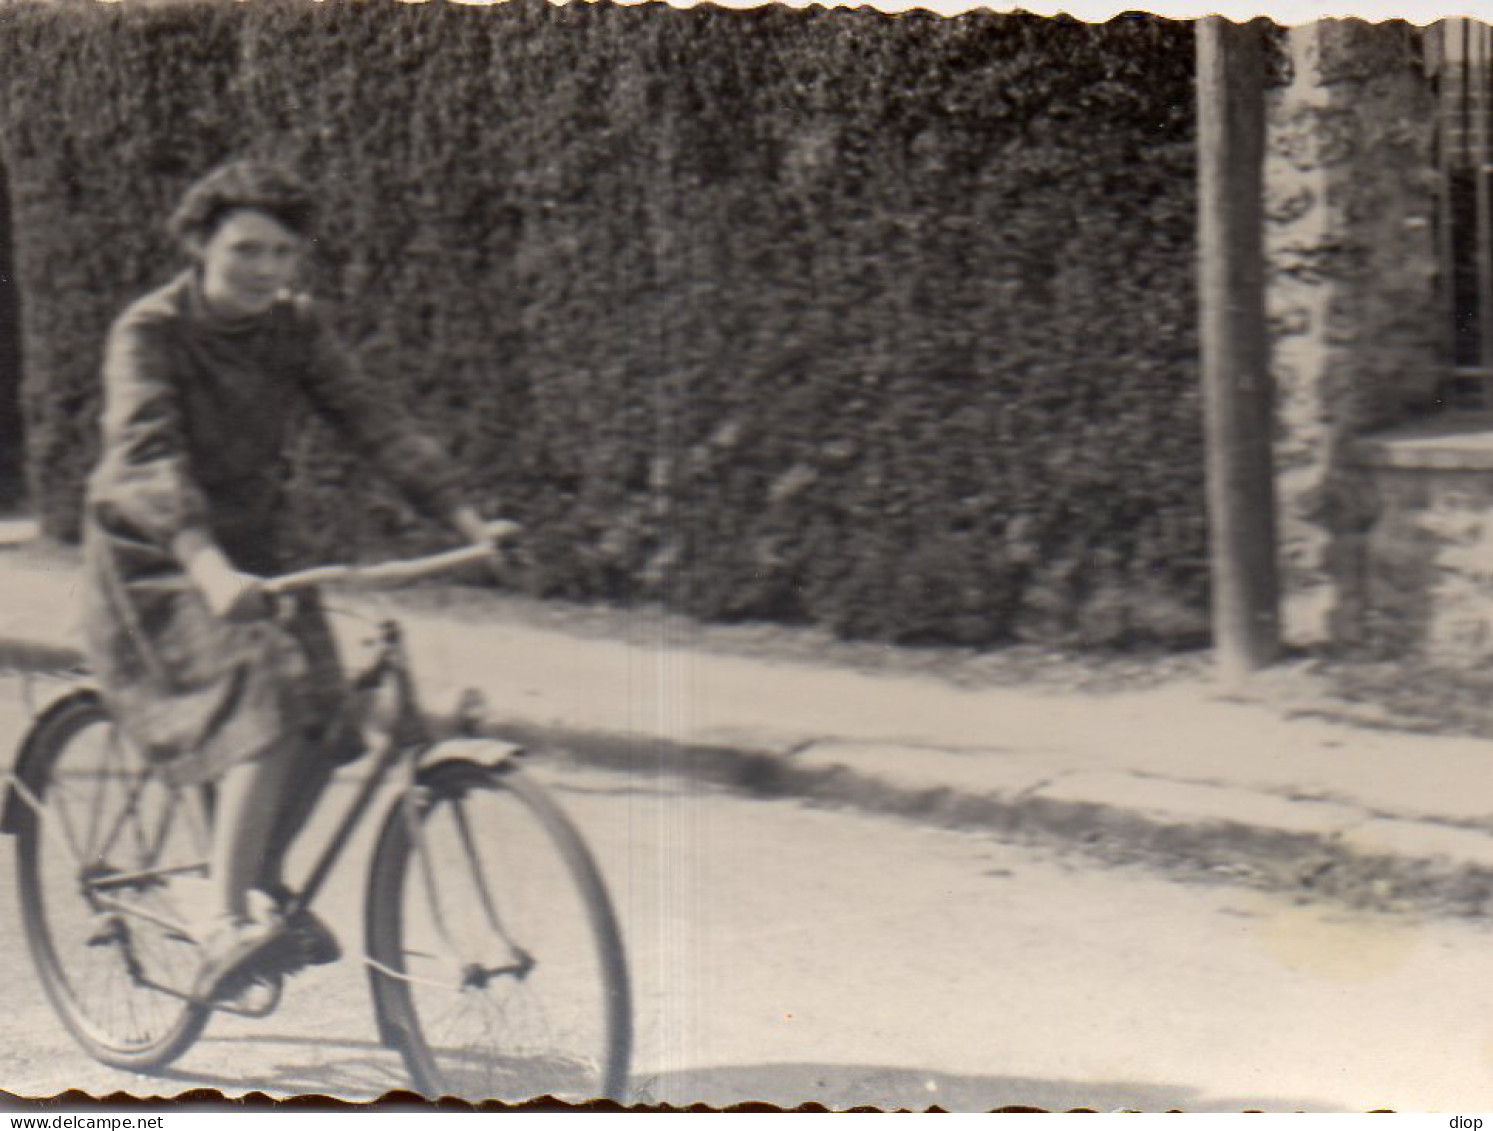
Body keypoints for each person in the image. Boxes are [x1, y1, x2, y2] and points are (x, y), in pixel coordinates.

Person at [80, 159, 497, 1001]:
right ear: (200, 245)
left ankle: (254, 875)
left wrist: (461, 518)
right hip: (156, 551)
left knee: (327, 710)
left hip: (254, 542)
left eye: (282, 253)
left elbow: (368, 416)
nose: (267, 270)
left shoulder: (292, 326)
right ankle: (221, 920)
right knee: (268, 695)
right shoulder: (150, 331)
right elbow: (147, 454)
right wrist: (203, 561)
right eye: (246, 251)